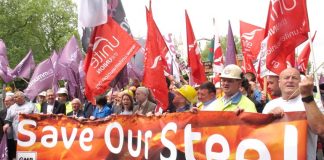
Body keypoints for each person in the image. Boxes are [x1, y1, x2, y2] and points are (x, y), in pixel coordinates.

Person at [262, 68, 323, 160]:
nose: (290, 80)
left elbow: (321, 129)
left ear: (300, 82)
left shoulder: (313, 103)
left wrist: (308, 97)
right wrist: (269, 118)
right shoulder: (270, 105)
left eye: (294, 78)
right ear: (279, 83)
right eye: (286, 78)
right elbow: (262, 136)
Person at [3, 91, 39, 160]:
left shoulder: (31, 105)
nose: (14, 98)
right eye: (14, 97)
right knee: (17, 152)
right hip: (15, 135)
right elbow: (8, 119)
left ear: (22, 97)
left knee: (28, 151)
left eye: (16, 97)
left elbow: (37, 116)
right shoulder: (11, 107)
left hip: (29, 135)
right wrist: (7, 124)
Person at [0, 95, 15, 160]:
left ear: (12, 101)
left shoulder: (16, 110)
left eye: (7, 101)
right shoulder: (2, 112)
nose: (5, 103)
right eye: (5, 101)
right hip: (6, 138)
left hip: (16, 138)